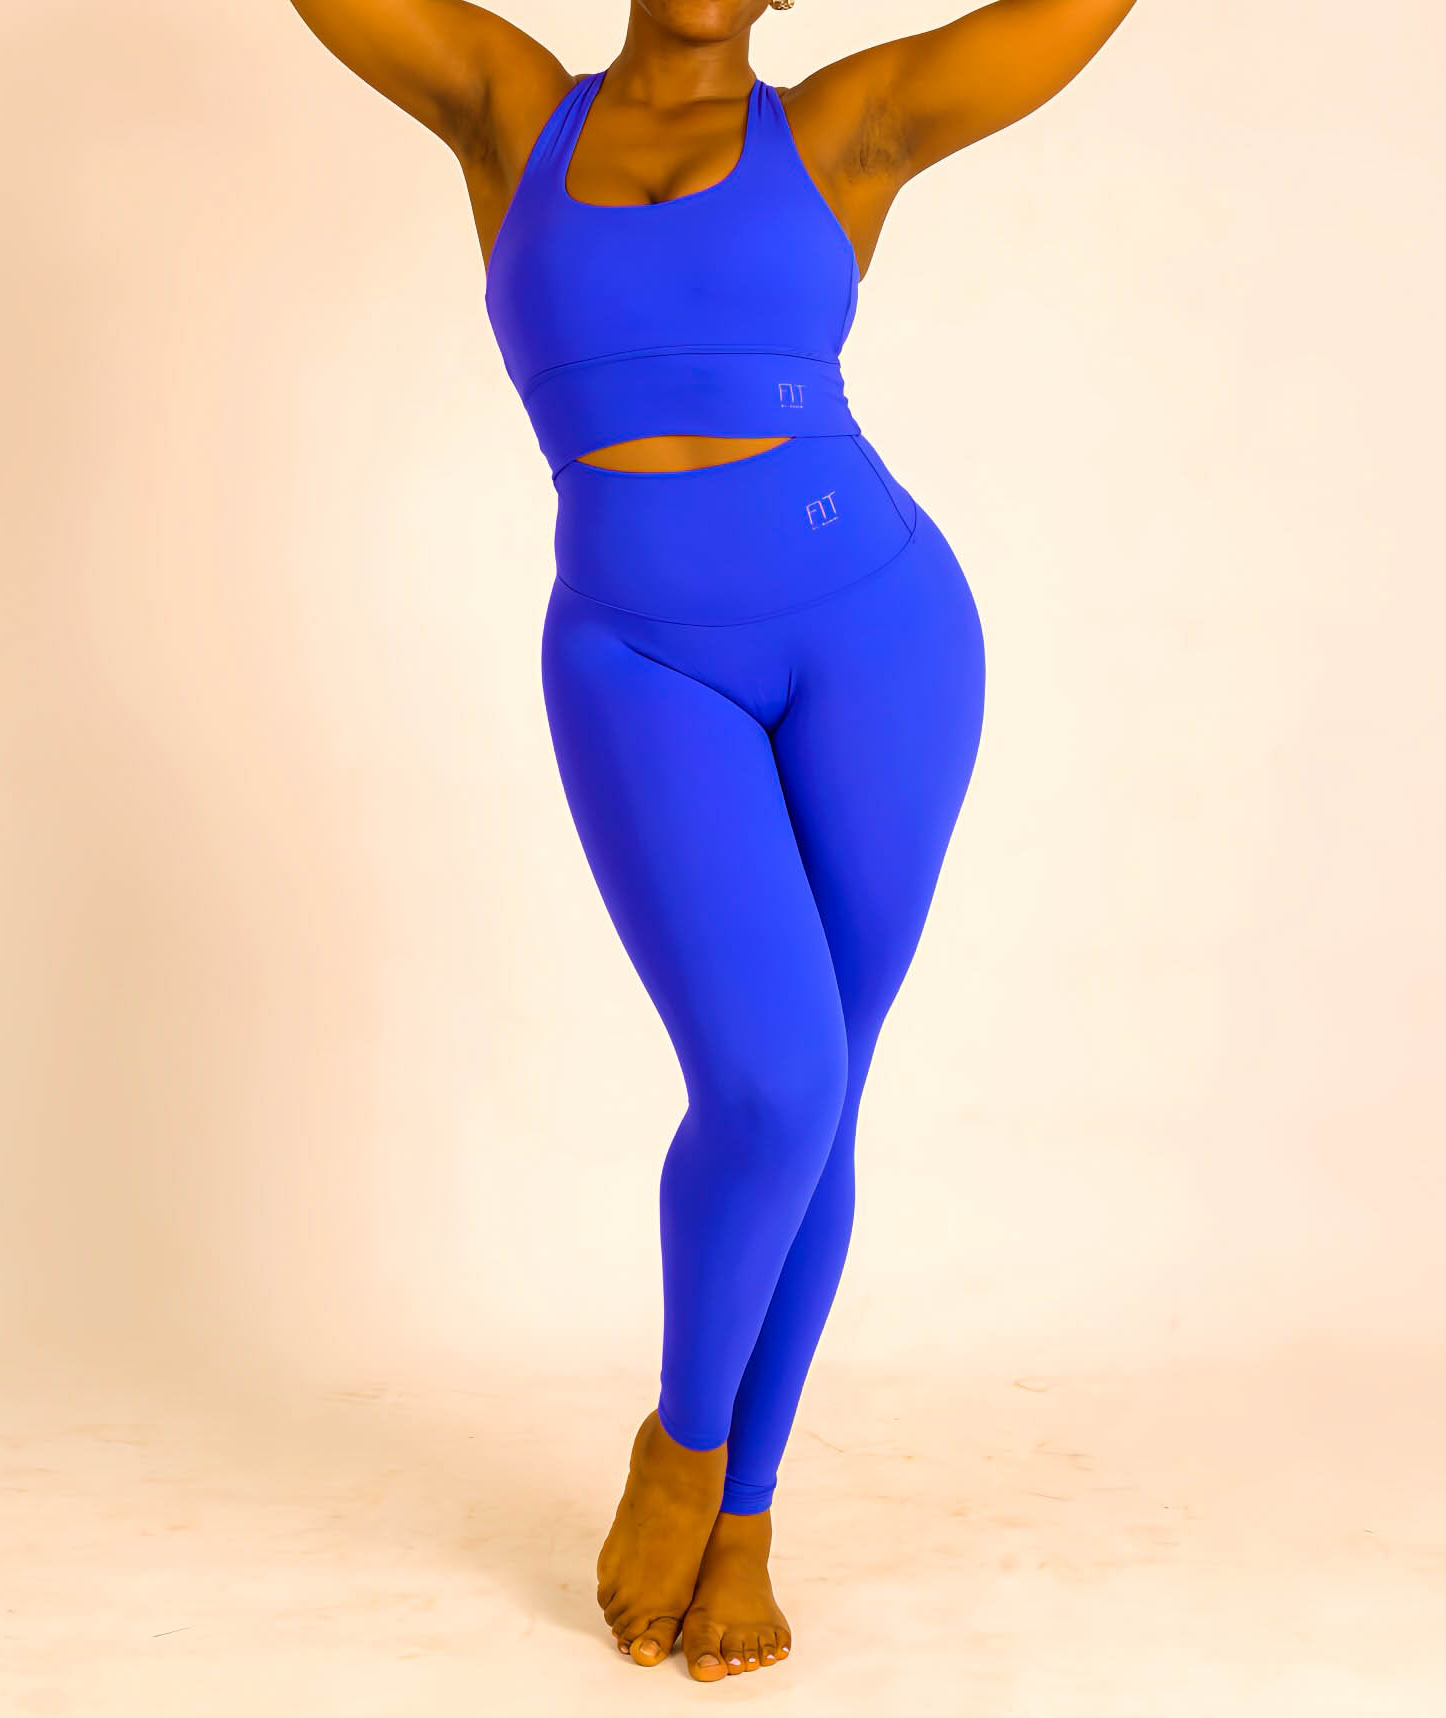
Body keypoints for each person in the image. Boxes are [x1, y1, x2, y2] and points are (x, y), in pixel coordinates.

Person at [285, 0, 1140, 1681]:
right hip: (634, 657)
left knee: (822, 1091)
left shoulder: (842, 128)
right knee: (769, 1081)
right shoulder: (509, 109)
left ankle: (743, 1511)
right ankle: (681, 1448)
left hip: (880, 637)